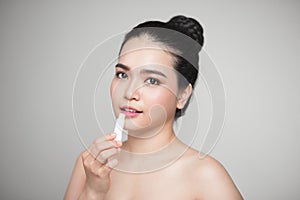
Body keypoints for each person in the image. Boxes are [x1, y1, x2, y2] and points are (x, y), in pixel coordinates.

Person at [65, 15, 243, 199]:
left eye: (152, 80)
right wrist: (93, 192)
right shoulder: (90, 164)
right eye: (122, 75)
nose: (129, 92)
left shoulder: (206, 176)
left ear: (182, 95)